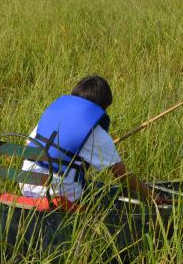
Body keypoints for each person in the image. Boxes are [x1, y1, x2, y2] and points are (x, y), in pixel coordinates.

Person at [21, 75, 164, 205]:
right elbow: (123, 176)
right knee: (111, 196)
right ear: (102, 107)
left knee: (95, 186)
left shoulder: (52, 115)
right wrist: (152, 195)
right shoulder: (96, 135)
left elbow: (28, 143)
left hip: (25, 184)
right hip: (59, 195)